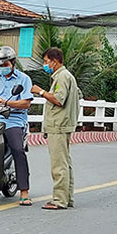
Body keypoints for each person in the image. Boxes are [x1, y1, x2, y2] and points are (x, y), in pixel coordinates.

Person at [0, 46, 34, 205]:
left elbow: (26, 103)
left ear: (13, 63)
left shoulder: (23, 79)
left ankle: (24, 191)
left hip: (13, 119)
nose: (3, 68)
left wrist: (7, 102)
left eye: (5, 65)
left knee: (17, 149)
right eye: (0, 66)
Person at [31, 47, 80, 211]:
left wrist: (41, 92)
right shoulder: (66, 77)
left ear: (55, 60)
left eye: (46, 61)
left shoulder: (62, 77)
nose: (45, 65)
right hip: (63, 124)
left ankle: (59, 200)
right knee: (65, 163)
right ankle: (67, 198)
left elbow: (59, 100)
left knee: (58, 164)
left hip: (59, 125)